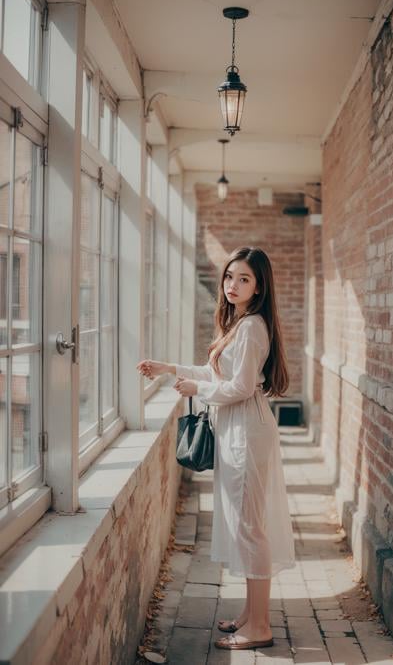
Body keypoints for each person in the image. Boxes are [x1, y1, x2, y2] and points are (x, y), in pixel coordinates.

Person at [137, 246, 295, 651]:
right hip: (238, 429)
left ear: (259, 287)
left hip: (247, 431)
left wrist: (198, 389)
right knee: (245, 526)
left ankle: (259, 626)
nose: (232, 285)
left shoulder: (253, 327)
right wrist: (171, 369)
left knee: (250, 528)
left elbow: (240, 387)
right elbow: (216, 372)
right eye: (229, 277)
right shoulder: (240, 324)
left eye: (244, 279)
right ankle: (249, 614)